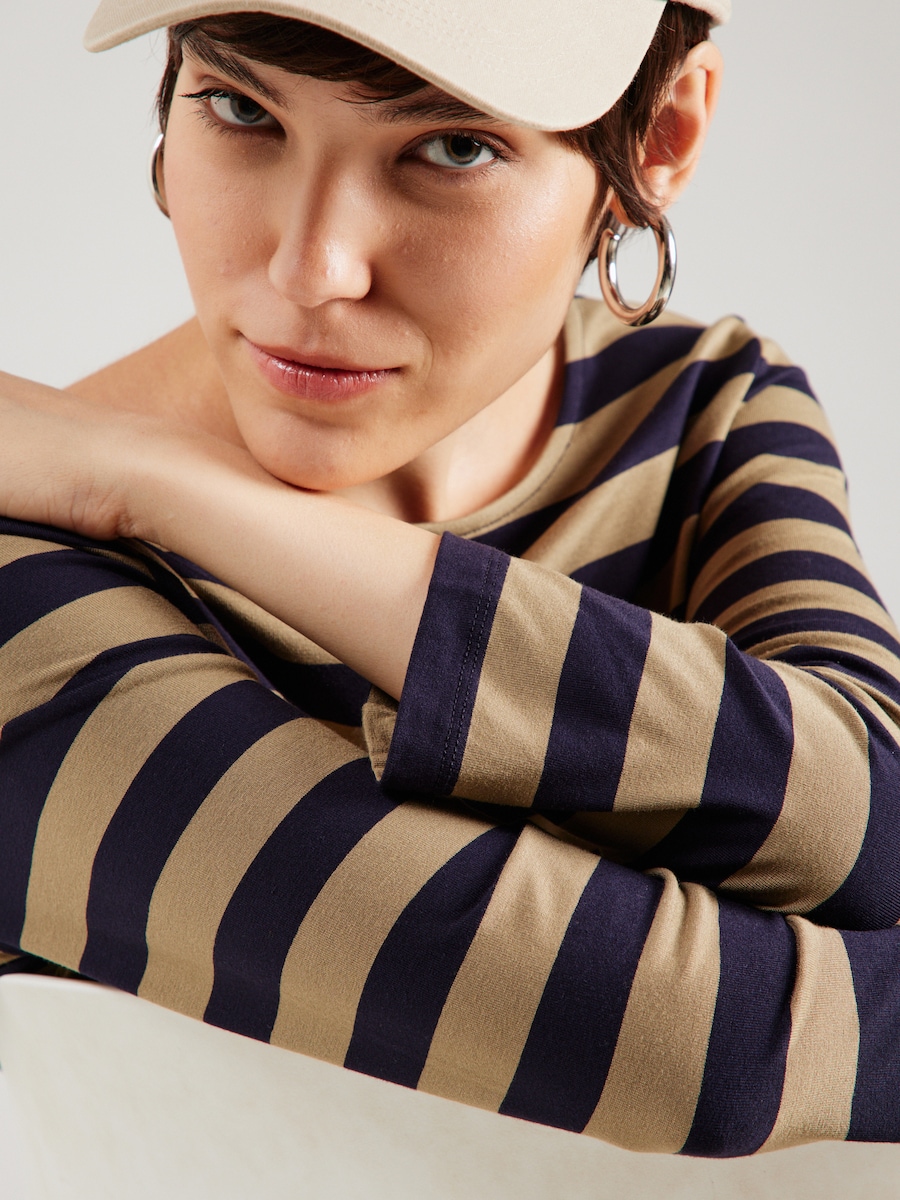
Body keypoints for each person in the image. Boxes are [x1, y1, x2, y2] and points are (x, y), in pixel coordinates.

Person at [1, 0, 900, 1157]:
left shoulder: (696, 408)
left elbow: (870, 810)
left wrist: (168, 488)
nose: (313, 268)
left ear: (660, 139)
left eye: (453, 145)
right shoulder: (19, 592)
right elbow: (695, 1047)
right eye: (240, 108)